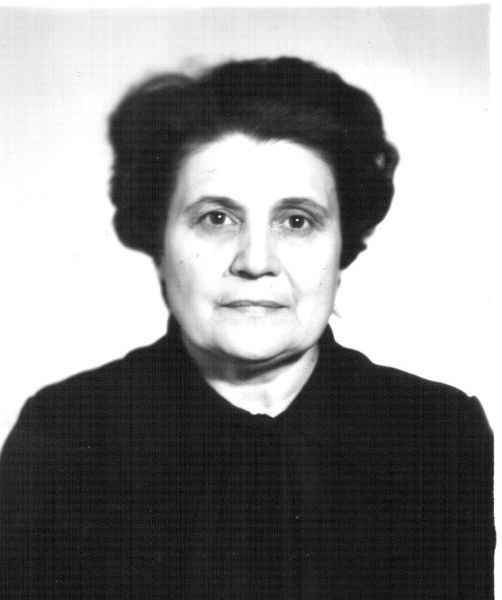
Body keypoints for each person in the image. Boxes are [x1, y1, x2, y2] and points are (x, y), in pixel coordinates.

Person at [0, 57, 494, 599]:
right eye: (216, 218)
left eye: (297, 221)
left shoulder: (436, 435)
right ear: (159, 244)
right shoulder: (64, 435)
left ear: (342, 248)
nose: (256, 261)